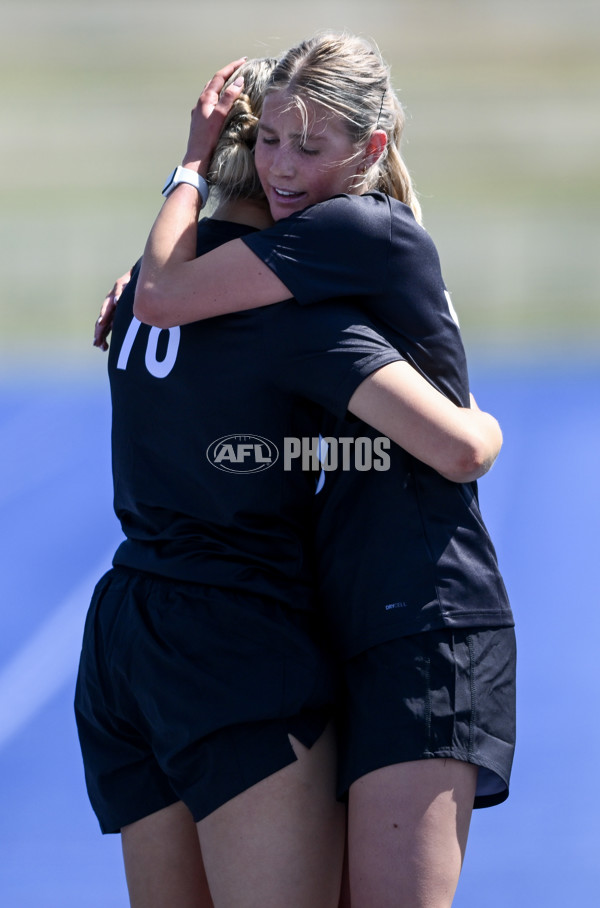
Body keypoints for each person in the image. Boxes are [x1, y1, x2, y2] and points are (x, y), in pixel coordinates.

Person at [79, 56, 504, 908]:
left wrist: (174, 207)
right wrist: (485, 421)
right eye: (272, 141)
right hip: (249, 632)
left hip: (127, 628)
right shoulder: (291, 311)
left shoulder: (166, 283)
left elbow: (222, 410)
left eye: (305, 148)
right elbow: (458, 448)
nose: (284, 167)